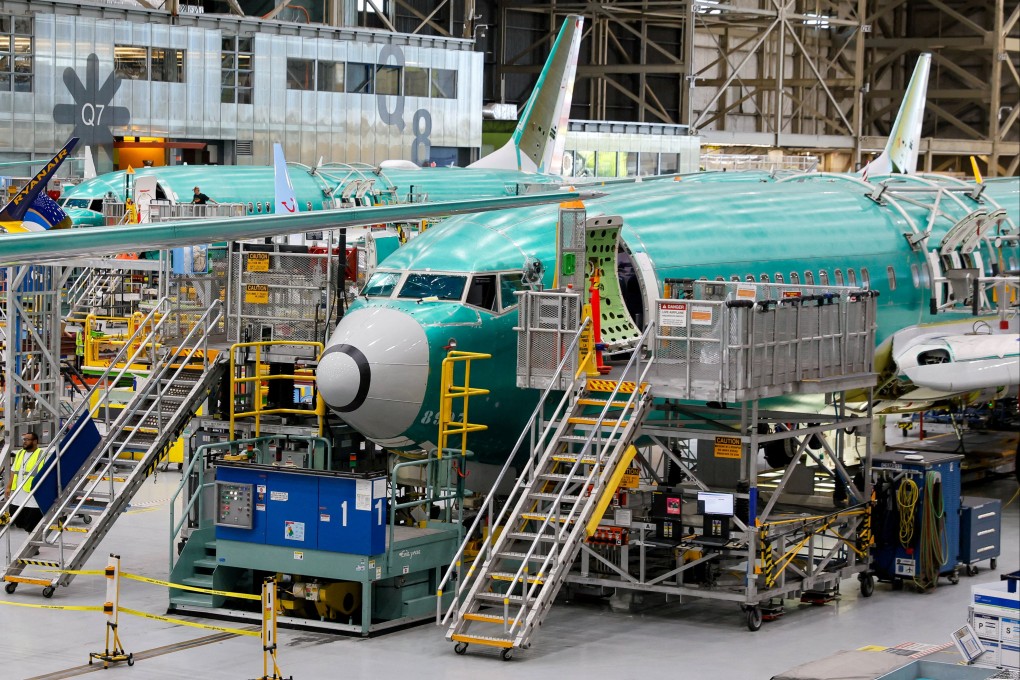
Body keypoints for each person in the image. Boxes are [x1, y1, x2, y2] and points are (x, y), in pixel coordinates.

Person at [9, 431, 48, 532]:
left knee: (32, 525)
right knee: (18, 521)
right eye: (24, 439)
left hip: (31, 495)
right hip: (17, 494)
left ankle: (33, 546)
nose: (24, 442)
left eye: (27, 440)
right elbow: (14, 471)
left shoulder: (42, 454)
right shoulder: (20, 453)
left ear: (35, 441)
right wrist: (8, 487)